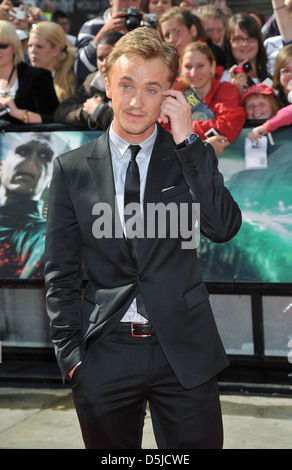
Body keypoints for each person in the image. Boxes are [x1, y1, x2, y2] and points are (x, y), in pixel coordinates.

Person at [44, 26, 242, 449]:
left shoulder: (189, 154)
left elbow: (223, 227)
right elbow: (59, 272)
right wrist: (72, 357)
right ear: (109, 87)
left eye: (152, 89)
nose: (136, 101)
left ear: (170, 95)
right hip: (104, 354)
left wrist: (189, 141)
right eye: (127, 85)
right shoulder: (71, 169)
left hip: (186, 352)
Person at [166, 41, 245, 154]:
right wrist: (202, 146)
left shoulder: (226, 91)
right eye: (188, 67)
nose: (194, 73)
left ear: (212, 66)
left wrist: (183, 130)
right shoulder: (173, 93)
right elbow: (163, 135)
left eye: (200, 66)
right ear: (181, 69)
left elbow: (228, 127)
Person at [0, 132, 57, 278]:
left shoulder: (46, 238)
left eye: (44, 156)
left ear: (50, 178)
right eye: (23, 151)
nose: (31, 162)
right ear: (1, 166)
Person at [54, 31, 123, 129]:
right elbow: (61, 112)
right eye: (100, 58)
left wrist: (100, 112)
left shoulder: (136, 83)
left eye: (109, 57)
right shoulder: (92, 80)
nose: (104, 63)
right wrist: (88, 113)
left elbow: (132, 126)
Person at [0, 20, 59, 124]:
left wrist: (18, 113)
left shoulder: (37, 77)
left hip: (31, 139)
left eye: (3, 46)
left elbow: (55, 119)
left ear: (14, 47)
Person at [74, 0, 142, 85]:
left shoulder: (147, 29)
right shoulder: (91, 27)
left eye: (135, 0)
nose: (129, 4)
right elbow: (80, 69)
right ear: (111, 1)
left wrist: (133, 35)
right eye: (124, 0)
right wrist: (103, 32)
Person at [159, 6, 226, 66]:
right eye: (167, 35)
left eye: (176, 32)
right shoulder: (164, 63)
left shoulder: (216, 55)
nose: (171, 39)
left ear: (193, 31)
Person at [28, 21, 77, 103]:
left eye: (39, 47)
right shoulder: (24, 75)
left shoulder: (76, 77)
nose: (33, 51)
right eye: (30, 45)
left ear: (56, 50)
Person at [222, 13, 269, 94]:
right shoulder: (225, 79)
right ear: (228, 44)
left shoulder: (272, 68)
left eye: (250, 38)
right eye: (238, 39)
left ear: (259, 41)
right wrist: (236, 92)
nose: (245, 44)